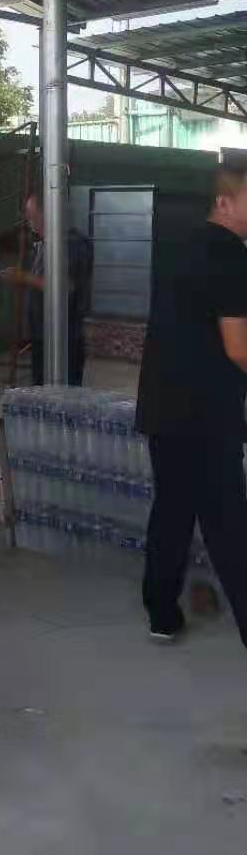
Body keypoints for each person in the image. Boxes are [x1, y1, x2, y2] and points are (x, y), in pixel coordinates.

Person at [135, 158, 247, 647]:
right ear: (225, 201)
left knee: (173, 509)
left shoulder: (178, 246)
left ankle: (161, 613)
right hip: (207, 412)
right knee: (228, 520)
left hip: (163, 405)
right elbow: (239, 347)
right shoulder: (231, 254)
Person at [1, 190, 92, 385]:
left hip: (64, 340)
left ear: (49, 213)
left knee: (62, 395)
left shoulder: (71, 244)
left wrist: (23, 277)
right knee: (41, 392)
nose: (30, 223)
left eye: (33, 217)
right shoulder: (45, 245)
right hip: (42, 336)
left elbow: (65, 287)